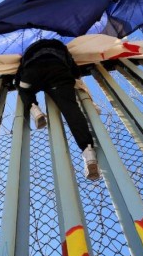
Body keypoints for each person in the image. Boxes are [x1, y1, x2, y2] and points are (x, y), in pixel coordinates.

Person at [15, 39, 100, 180]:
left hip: (33, 72)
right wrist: (72, 76)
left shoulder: (29, 49)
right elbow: (73, 69)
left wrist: (21, 81)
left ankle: (34, 109)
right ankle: (88, 151)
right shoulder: (60, 46)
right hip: (58, 73)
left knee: (23, 88)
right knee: (71, 110)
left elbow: (20, 72)